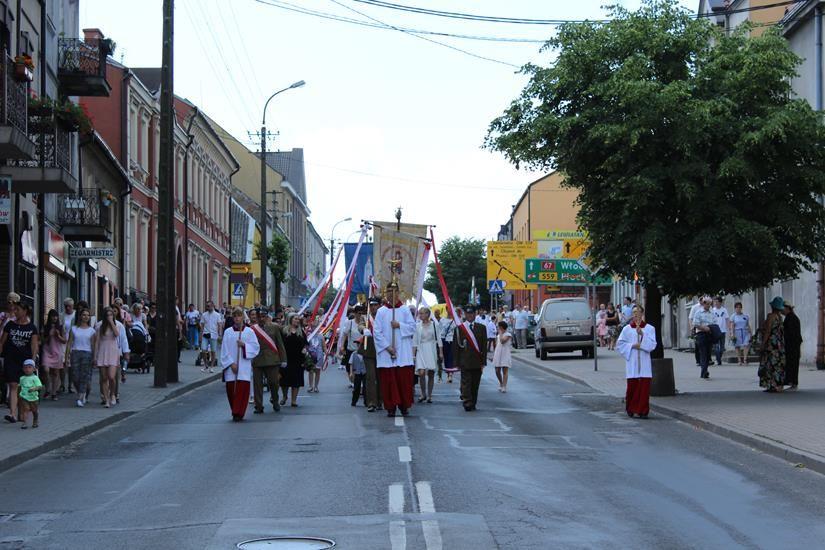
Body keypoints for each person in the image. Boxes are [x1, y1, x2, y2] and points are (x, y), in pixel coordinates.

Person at [373, 285, 416, 417]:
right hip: (387, 353)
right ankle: (390, 407)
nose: (392, 294)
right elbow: (377, 332)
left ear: (398, 292)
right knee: (388, 382)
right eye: (389, 292)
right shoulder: (381, 311)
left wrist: (399, 325)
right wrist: (387, 347)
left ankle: (404, 406)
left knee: (403, 382)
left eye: (394, 291)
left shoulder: (404, 310)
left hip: (402, 352)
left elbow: (412, 327)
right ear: (386, 294)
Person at [616, 305, 657, 418]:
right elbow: (620, 345)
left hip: (644, 361)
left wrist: (642, 335)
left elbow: (652, 345)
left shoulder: (649, 328)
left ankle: (643, 410)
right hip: (632, 361)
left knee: (643, 388)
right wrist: (633, 345)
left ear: (642, 313)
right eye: (634, 312)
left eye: (638, 312)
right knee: (632, 387)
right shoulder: (627, 329)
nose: (636, 314)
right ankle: (631, 408)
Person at [220, 307, 260, 421]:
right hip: (231, 367)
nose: (237, 318)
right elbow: (224, 350)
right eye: (235, 316)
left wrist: (244, 345)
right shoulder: (228, 332)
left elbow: (256, 348)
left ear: (243, 317)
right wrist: (231, 364)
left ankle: (240, 412)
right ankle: (234, 410)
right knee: (231, 390)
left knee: (242, 390)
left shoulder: (249, 332)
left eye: (239, 316)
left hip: (243, 366)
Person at [1, 301, 38, 423]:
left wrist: (32, 361)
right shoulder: (10, 325)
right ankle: (12, 414)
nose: (15, 312)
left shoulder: (31, 327)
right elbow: (2, 342)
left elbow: (34, 345)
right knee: (13, 385)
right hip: (10, 359)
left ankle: (23, 412)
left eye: (17, 310)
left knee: (22, 387)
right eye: (14, 309)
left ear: (25, 311)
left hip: (25, 361)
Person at [250, 309, 286, 414]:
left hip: (272, 360)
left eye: (263, 316)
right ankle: (259, 406)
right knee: (257, 385)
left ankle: (275, 401)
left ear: (267, 317)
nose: (261, 318)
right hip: (257, 359)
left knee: (274, 383)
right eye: (259, 316)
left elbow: (280, 344)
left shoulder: (274, 327)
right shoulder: (252, 329)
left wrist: (283, 359)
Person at [453, 305, 488, 412]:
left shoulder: (481, 328)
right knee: (466, 382)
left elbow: (484, 346)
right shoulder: (460, 329)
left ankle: (473, 402)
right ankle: (467, 401)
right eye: (468, 314)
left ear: (475, 314)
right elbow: (456, 346)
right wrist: (457, 362)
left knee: (475, 384)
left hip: (477, 361)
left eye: (472, 313)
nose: (470, 316)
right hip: (465, 361)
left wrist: (483, 362)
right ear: (465, 315)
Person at [65, 309, 96, 408]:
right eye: (84, 315)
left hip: (87, 353)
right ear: (80, 316)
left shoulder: (92, 331)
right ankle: (82, 392)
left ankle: (80, 397)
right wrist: (66, 357)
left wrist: (94, 357)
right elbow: (69, 343)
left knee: (84, 376)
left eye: (87, 315)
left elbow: (93, 345)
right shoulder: (74, 329)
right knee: (75, 376)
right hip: (75, 352)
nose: (86, 317)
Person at [413, 307, 442, 404]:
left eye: (422, 313)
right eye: (420, 313)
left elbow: (439, 339)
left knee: (431, 373)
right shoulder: (417, 326)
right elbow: (415, 341)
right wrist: (413, 355)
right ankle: (423, 393)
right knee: (421, 372)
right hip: (421, 350)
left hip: (431, 349)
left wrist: (441, 352)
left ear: (428, 314)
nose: (420, 315)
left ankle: (429, 395)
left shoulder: (434, 325)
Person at [279, 313, 307, 407]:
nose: (297, 321)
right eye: (295, 319)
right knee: (284, 380)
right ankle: (284, 396)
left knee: (296, 380)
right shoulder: (283, 331)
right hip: (286, 358)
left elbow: (305, 343)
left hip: (298, 359)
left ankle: (294, 400)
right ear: (290, 319)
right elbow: (280, 344)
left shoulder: (301, 332)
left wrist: (305, 349)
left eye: (298, 319)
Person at [95, 307, 121, 408]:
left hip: (113, 352)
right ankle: (106, 400)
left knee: (111, 377)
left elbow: (117, 334)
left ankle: (113, 394)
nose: (109, 317)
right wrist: (95, 356)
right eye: (107, 315)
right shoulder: (100, 327)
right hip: (103, 352)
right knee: (104, 378)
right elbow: (97, 342)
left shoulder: (116, 325)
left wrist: (111, 322)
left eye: (111, 315)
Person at [359, 298, 382, 412]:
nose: (373, 307)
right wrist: (364, 330)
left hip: (382, 350)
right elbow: (361, 326)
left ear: (379, 305)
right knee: (370, 377)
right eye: (371, 305)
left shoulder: (383, 316)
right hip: (369, 350)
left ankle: (380, 401)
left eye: (375, 305)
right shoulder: (366, 318)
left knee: (381, 376)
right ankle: (371, 402)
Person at [759, 297, 786, 393]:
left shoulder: (771, 316)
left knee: (770, 364)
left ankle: (772, 385)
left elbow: (768, 331)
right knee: (778, 365)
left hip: (772, 344)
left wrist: (763, 343)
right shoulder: (780, 317)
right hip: (779, 344)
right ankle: (778, 385)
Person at [40, 309, 66, 400]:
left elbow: (64, 341)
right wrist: (49, 335)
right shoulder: (45, 327)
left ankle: (54, 392)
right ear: (49, 317)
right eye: (53, 316)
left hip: (57, 351)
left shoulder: (61, 327)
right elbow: (42, 341)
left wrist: (58, 336)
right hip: (47, 351)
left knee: (55, 372)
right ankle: (47, 389)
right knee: (46, 370)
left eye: (56, 316)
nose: (55, 318)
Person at [692, 297, 718, 379]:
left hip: (709, 334)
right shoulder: (698, 312)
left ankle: (705, 369)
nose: (708, 305)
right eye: (707, 304)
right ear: (703, 303)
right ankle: (704, 371)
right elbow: (695, 324)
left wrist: (711, 328)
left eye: (710, 304)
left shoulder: (712, 312)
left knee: (708, 353)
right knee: (703, 353)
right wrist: (704, 328)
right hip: (701, 334)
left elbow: (715, 322)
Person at [17, 359, 42, 429]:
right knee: (26, 409)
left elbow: (40, 386)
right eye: (25, 367)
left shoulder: (35, 378)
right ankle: (24, 423)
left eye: (29, 367)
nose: (27, 369)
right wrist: (19, 394)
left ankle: (35, 420)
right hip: (24, 397)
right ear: (23, 369)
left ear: (34, 369)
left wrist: (34, 389)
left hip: (33, 397)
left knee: (34, 410)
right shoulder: (22, 378)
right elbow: (19, 386)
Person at [200, 301, 223, 373]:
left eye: (209, 306)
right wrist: (200, 335)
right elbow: (202, 325)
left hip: (213, 335)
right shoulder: (204, 315)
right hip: (205, 335)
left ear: (213, 305)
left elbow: (219, 325)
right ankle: (206, 365)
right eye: (207, 306)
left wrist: (220, 334)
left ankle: (212, 367)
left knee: (213, 351)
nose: (208, 307)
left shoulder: (217, 315)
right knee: (203, 350)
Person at [783, 302, 802, 390]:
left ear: (787, 309)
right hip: (793, 344)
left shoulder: (791, 318)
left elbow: (789, 332)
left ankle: (793, 382)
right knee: (792, 363)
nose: (782, 311)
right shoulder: (790, 317)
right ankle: (791, 382)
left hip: (792, 344)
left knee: (793, 363)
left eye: (783, 309)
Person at [493, 321, 513, 392]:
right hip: (498, 353)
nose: (497, 328)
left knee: (505, 370)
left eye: (498, 327)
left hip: (505, 353)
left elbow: (502, 341)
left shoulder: (508, 335)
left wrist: (500, 333)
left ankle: (504, 386)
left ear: (501, 327)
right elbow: (497, 344)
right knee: (497, 370)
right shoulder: (498, 335)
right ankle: (501, 383)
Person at [306, 316, 324, 393]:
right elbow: (306, 345)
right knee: (311, 371)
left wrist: (326, 352)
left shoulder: (321, 336)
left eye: (316, 326)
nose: (315, 328)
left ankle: (316, 386)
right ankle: (310, 386)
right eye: (313, 326)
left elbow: (324, 346)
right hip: (311, 355)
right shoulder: (309, 336)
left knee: (317, 371)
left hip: (319, 355)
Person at [438, 307, 456, 383]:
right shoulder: (442, 320)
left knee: (451, 357)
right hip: (444, 340)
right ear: (446, 310)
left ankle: (450, 374)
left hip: (452, 341)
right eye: (449, 309)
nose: (450, 311)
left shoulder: (456, 320)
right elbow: (439, 331)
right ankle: (448, 372)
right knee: (445, 358)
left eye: (451, 309)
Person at [349, 338, 368, 407]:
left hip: (365, 372)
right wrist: (351, 373)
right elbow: (351, 363)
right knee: (356, 387)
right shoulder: (354, 354)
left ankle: (366, 402)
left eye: (359, 344)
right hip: (357, 372)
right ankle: (354, 401)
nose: (358, 345)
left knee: (366, 387)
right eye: (357, 344)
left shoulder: (366, 353)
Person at [712, 297, 730, 366]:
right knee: (716, 346)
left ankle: (719, 358)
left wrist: (729, 328)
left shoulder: (724, 310)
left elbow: (727, 319)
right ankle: (718, 360)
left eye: (717, 302)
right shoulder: (713, 310)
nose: (715, 303)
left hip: (723, 330)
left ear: (720, 302)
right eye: (714, 302)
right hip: (715, 330)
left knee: (722, 348)